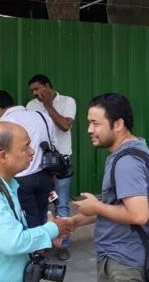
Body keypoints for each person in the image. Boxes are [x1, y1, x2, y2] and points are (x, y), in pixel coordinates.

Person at [70, 93, 149, 282]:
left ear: (118, 124)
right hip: (121, 257)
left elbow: (138, 215)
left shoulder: (127, 162)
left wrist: (97, 206)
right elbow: (116, 205)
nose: (89, 130)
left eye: (96, 123)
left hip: (123, 263)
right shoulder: (133, 150)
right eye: (89, 123)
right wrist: (74, 221)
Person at [0, 121, 73, 282]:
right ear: (3, 155)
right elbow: (13, 242)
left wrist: (41, 238)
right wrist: (52, 229)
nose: (32, 152)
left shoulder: (11, 185)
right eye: (25, 147)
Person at [26, 74, 76, 260]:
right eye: (33, 91)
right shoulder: (31, 106)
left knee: (61, 203)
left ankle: (62, 244)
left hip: (61, 161)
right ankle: (43, 245)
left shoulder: (67, 101)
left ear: (48, 86)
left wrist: (48, 105)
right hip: (39, 163)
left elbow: (64, 125)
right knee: (42, 203)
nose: (36, 93)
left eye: (38, 89)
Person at [0, 90, 57, 228]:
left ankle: (38, 248)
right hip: (45, 174)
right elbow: (54, 144)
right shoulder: (41, 115)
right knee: (43, 214)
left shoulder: (5, 124)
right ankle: (46, 245)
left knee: (27, 219)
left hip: (20, 178)